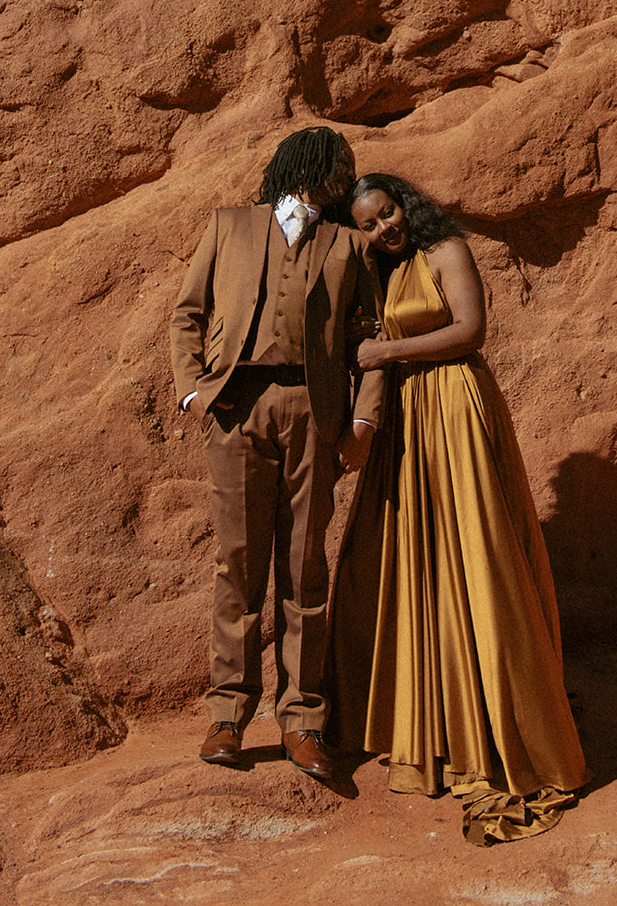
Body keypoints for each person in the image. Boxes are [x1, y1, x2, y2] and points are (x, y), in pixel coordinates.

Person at [326, 173, 589, 845]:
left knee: (477, 555)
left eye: (389, 212)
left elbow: (470, 331)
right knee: (402, 562)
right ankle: (429, 723)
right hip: (407, 422)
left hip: (459, 409)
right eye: (371, 222)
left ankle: (505, 724)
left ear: (403, 205)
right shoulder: (379, 276)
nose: (386, 226)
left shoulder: (447, 249)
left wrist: (384, 349)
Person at [170, 127, 383, 781]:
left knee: (304, 573)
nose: (348, 177)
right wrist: (194, 395)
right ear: (307, 165)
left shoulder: (349, 245)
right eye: (340, 165)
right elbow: (188, 313)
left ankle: (303, 721)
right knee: (237, 567)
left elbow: (367, 335)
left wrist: (361, 423)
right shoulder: (230, 227)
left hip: (313, 418)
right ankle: (229, 715)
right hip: (237, 411)